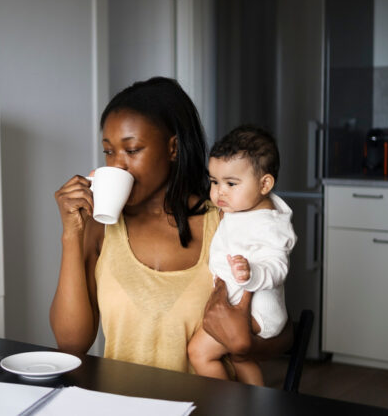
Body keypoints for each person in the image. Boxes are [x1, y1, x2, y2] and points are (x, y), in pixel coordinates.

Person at [51, 77, 292, 378]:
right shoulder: (101, 228)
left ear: (173, 148)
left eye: (133, 149)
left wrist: (243, 346)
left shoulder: (226, 221)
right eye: (109, 152)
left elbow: (282, 332)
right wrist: (71, 234)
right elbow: (71, 345)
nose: (117, 166)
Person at [187, 125, 297, 385]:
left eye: (231, 183)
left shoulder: (268, 224)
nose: (219, 192)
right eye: (214, 181)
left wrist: (253, 272)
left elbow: (279, 265)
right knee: (242, 360)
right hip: (244, 310)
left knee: (199, 353)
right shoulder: (242, 210)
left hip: (258, 312)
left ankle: (227, 407)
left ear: (264, 184)